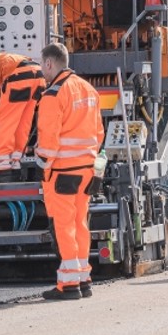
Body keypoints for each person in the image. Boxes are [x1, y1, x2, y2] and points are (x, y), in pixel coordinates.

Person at [34, 42, 104, 301]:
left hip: (62, 173)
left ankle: (68, 286)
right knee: (80, 224)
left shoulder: (53, 95)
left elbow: (48, 143)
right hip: (87, 169)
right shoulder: (88, 89)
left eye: (42, 65)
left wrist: (42, 169)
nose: (42, 70)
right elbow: (98, 133)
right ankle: (83, 279)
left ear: (49, 63)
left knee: (63, 227)